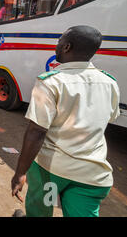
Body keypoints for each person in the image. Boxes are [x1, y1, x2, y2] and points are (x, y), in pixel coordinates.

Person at [11, 25, 120, 217]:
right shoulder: (110, 83)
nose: (57, 45)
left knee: (41, 211)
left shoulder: (51, 82)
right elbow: (107, 119)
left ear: (67, 47)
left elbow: (37, 131)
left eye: (59, 41)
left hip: (52, 173)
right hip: (92, 177)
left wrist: (20, 172)